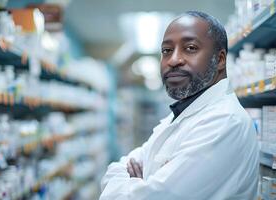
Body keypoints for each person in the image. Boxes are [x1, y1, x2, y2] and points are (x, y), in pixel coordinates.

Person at [100, 10, 259, 200]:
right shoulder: (181, 114)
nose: (174, 60)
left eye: (190, 48)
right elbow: (115, 170)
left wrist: (133, 182)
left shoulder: (224, 122)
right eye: (167, 51)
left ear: (220, 60)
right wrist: (139, 184)